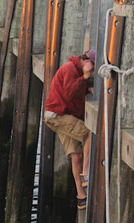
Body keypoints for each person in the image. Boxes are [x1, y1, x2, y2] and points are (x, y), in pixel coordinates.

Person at [43, 49, 95, 209]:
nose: (92, 72)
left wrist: (88, 86)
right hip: (58, 116)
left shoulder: (76, 71)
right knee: (89, 134)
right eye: (93, 68)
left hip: (63, 117)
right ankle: (86, 173)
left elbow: (77, 90)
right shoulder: (69, 68)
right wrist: (85, 78)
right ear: (87, 62)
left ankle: (81, 196)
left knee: (76, 155)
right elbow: (70, 92)